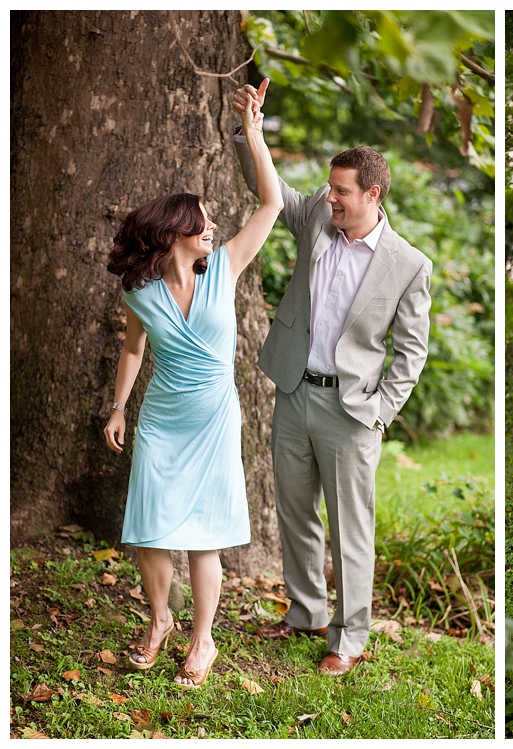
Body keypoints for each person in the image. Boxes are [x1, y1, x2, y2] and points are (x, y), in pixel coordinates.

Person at [231, 81, 432, 677]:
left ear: (372, 194)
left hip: (352, 412)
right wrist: (252, 132)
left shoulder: (409, 265)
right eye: (330, 188)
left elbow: (411, 352)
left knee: (350, 530)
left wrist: (380, 410)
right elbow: (265, 189)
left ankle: (349, 637)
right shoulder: (317, 215)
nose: (330, 197)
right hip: (294, 391)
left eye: (342, 191)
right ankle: (306, 613)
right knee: (294, 512)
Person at [103, 85, 282, 688]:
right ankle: (160, 620)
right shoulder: (141, 293)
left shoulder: (225, 268)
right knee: (148, 527)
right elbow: (133, 349)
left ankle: (203, 640)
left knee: (204, 534)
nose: (213, 225)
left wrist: (252, 132)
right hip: (159, 419)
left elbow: (272, 203)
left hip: (213, 419)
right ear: (176, 230)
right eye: (203, 219)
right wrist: (119, 408)